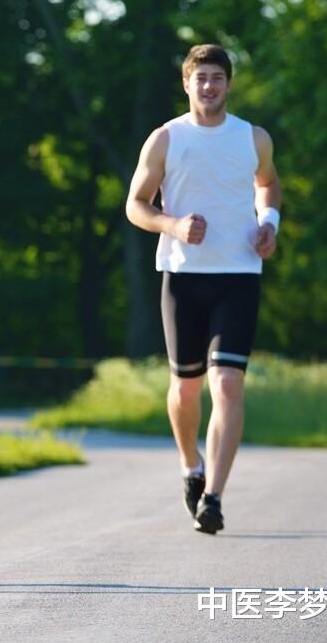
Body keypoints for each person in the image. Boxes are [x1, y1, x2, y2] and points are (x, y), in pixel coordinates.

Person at [125, 43, 282, 534]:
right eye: (201, 78)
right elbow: (136, 204)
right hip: (183, 277)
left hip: (238, 276)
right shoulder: (166, 139)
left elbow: (269, 184)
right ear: (187, 83)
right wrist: (172, 225)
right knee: (185, 388)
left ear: (228, 83)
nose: (209, 86)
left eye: (217, 77)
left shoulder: (252, 138)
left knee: (229, 383)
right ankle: (190, 465)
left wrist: (269, 222)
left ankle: (212, 496)